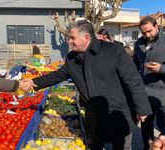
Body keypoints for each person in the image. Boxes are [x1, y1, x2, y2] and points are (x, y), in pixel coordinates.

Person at [30, 20, 152, 149]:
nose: (69, 41)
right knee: (94, 144)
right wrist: (33, 82)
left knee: (121, 146)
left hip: (118, 112)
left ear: (86, 37)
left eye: (72, 38)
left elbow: (133, 80)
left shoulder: (113, 51)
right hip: (93, 115)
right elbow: (58, 75)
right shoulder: (72, 58)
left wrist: (142, 108)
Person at [133, 16, 165, 150]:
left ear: (157, 26)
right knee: (145, 126)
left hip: (162, 93)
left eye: (150, 31)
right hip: (144, 93)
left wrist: (161, 69)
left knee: (163, 127)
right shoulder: (139, 44)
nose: (147, 35)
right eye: (143, 32)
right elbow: (135, 66)